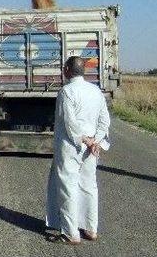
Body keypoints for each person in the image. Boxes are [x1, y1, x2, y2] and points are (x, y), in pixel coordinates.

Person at [45, 56, 111, 245]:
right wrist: (96, 141)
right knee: (89, 186)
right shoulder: (95, 91)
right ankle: (91, 229)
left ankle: (70, 233)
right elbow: (104, 120)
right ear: (84, 71)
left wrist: (84, 140)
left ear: (66, 70)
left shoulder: (66, 92)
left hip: (71, 148)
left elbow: (70, 123)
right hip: (92, 148)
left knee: (68, 187)